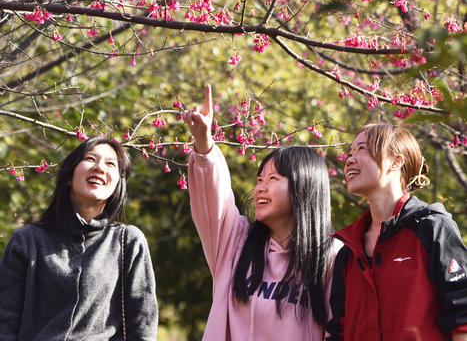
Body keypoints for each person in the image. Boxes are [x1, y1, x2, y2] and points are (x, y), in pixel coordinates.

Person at [184, 84, 339, 341]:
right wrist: (204, 143)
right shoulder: (235, 242)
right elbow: (213, 201)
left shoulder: (332, 258)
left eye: (273, 178)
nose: (259, 189)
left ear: (304, 188)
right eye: (259, 180)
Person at [0, 135, 158, 341]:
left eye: (110, 164)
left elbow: (143, 322)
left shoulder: (128, 241)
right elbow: (5, 320)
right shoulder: (28, 240)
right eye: (90, 159)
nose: (100, 167)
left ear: (118, 185)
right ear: (68, 176)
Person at [325, 122, 467, 341]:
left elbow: (461, 317)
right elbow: (338, 332)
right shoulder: (348, 253)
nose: (349, 159)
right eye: (349, 152)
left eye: (361, 149)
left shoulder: (432, 229)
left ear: (396, 161)